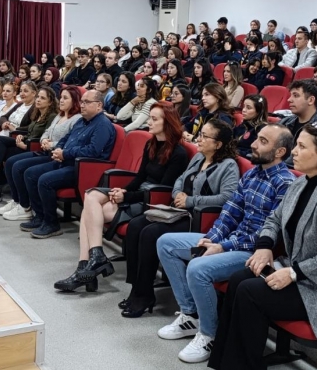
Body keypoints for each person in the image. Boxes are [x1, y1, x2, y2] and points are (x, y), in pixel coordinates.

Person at [203, 124, 317, 370]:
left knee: (250, 293)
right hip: (293, 270)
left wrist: (294, 273)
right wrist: (264, 246)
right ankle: (228, 369)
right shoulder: (301, 182)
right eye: (296, 145)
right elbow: (274, 219)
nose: (294, 152)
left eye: (302, 147)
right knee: (239, 279)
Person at [156, 125, 295, 362]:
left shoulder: (286, 183)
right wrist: (213, 238)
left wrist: (224, 246)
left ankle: (209, 334)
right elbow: (230, 211)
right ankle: (190, 314)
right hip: (231, 241)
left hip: (254, 252)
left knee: (198, 268)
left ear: (280, 151)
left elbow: (270, 233)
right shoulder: (252, 174)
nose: (253, 144)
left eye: (263, 141)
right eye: (257, 139)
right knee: (166, 243)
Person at [54, 103, 189, 293]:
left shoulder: (178, 153)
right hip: (137, 194)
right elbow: (140, 177)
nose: (149, 122)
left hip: (151, 202)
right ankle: (93, 260)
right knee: (91, 196)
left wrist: (125, 197)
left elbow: (162, 190)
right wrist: (123, 191)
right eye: (149, 118)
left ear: (168, 123)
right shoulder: (151, 144)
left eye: (154, 119)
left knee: (89, 213)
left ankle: (86, 269)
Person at [120, 119, 241, 319]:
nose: (199, 139)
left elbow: (227, 197)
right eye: (200, 134)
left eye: (205, 136)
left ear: (218, 144)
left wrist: (190, 200)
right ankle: (137, 288)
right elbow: (180, 179)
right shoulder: (199, 157)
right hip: (179, 211)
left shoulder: (228, 166)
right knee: (136, 225)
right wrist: (178, 194)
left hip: (199, 219)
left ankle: (144, 295)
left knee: (150, 234)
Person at [19, 89, 116, 238]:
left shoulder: (103, 125)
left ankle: (52, 223)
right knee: (30, 173)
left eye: (87, 102)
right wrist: (58, 149)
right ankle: (40, 216)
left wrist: (65, 153)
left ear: (99, 105)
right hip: (65, 161)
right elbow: (66, 138)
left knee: (45, 181)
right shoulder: (81, 121)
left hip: (83, 168)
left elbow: (93, 151)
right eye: (82, 102)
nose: (82, 105)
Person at [0, 86, 83, 221]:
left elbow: (69, 141)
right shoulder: (60, 115)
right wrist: (44, 140)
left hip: (56, 155)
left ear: (74, 101)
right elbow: (46, 132)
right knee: (11, 162)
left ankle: (26, 207)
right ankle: (18, 201)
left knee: (20, 167)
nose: (61, 100)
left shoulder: (76, 119)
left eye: (65, 98)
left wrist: (52, 144)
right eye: (61, 97)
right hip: (45, 151)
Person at [0, 85, 57, 203]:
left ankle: (2, 191)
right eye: (38, 97)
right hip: (25, 141)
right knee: (0, 141)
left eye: (42, 98)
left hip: (32, 147)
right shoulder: (38, 113)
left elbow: (45, 136)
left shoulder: (52, 116)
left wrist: (26, 143)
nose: (38, 100)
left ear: (50, 102)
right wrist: (22, 136)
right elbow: (30, 130)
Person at [280, 80, 317, 146]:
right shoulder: (285, 122)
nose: (289, 100)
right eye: (290, 95)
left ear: (311, 100)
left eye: (295, 95)